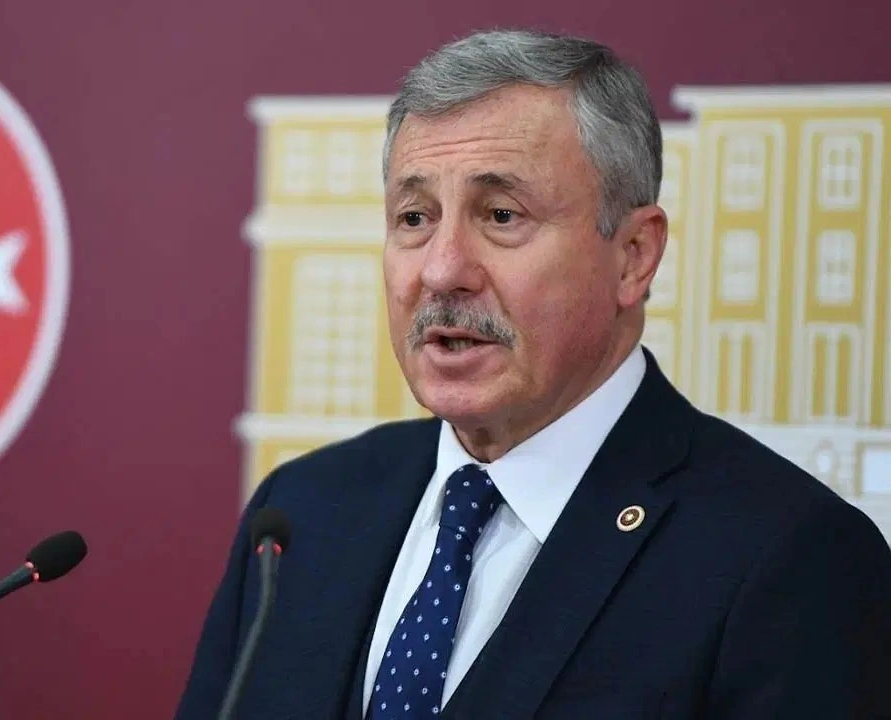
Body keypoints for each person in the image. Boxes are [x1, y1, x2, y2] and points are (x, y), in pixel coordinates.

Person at [174, 28, 891, 720]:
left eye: (501, 214)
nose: (442, 270)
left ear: (634, 255)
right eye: (415, 217)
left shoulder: (789, 560)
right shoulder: (301, 513)